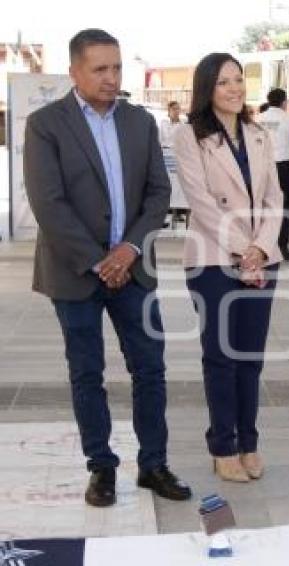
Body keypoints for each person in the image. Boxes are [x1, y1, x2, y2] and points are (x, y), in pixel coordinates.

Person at [23, 28, 192, 507]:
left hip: (133, 271)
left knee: (151, 370)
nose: (111, 77)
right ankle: (101, 468)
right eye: (100, 68)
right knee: (86, 374)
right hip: (74, 273)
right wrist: (100, 260)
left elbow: (159, 193)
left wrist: (129, 251)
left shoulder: (139, 122)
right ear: (74, 71)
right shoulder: (45, 124)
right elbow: (48, 203)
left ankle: (153, 464)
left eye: (117, 67)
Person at [172, 53, 283, 482]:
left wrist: (261, 247)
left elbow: (275, 197)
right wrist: (242, 248)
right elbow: (199, 202)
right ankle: (223, 446)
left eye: (239, 80)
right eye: (224, 82)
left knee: (250, 357)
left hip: (261, 258)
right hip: (214, 259)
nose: (235, 88)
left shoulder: (259, 133)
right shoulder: (190, 137)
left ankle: (249, 441)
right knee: (221, 356)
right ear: (207, 89)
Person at [256, 88, 289, 261]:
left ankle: (261, 245)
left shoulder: (257, 120)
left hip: (261, 168)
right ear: (284, 102)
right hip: (285, 169)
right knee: (287, 208)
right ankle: (282, 246)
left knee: (262, 207)